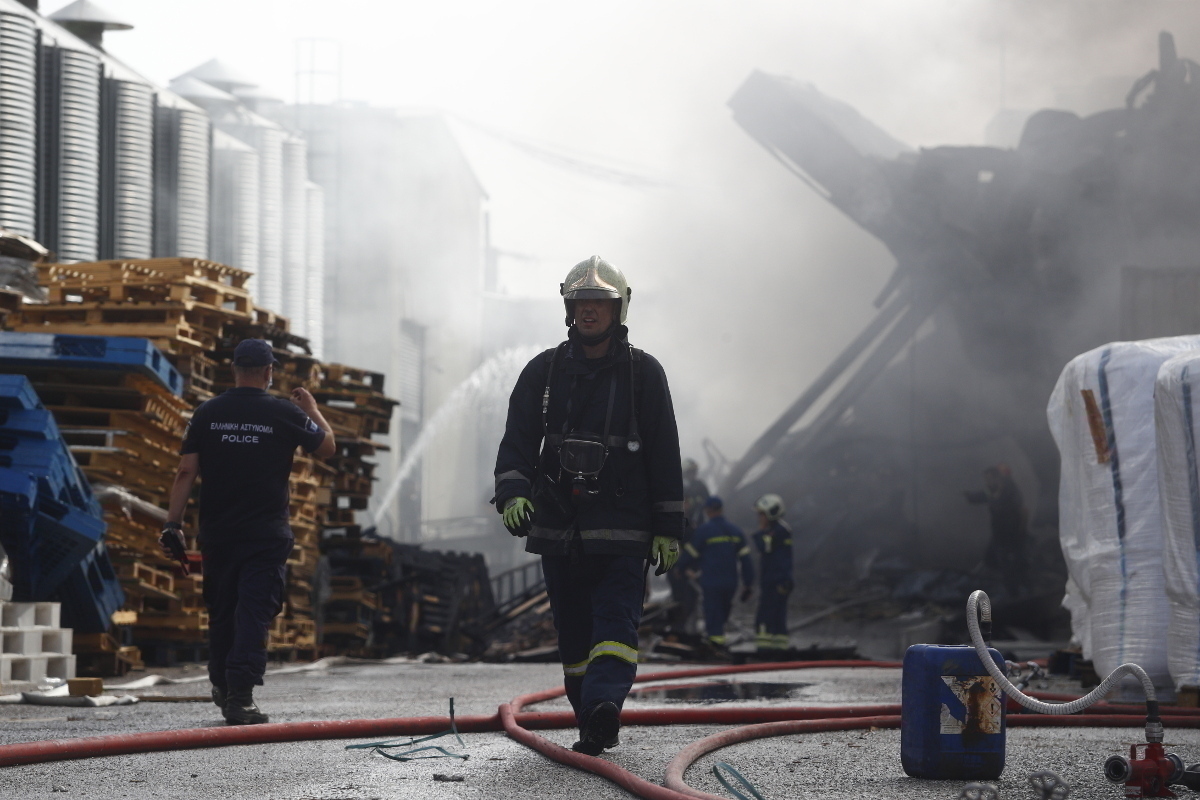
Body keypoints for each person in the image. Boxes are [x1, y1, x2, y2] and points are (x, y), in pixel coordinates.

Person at [493, 255, 684, 756]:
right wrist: (513, 492)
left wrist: (668, 526)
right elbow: (517, 441)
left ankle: (604, 706)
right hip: (560, 527)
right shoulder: (544, 371)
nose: (589, 311)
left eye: (600, 302)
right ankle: (591, 718)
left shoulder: (644, 373)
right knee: (574, 631)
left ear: (619, 309)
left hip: (623, 528)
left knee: (616, 621)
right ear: (568, 309)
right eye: (580, 302)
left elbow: (664, 451)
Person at [160, 339, 336, 725]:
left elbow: (185, 471)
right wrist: (314, 411)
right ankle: (240, 697)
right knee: (253, 612)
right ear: (269, 371)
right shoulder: (284, 412)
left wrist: (173, 523)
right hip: (265, 535)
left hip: (218, 534)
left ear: (234, 369)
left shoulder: (207, 413)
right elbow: (327, 447)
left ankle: (223, 686)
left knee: (222, 611)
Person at [679, 495, 754, 649]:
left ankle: (715, 648)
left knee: (713, 616)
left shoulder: (704, 531)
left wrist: (680, 568)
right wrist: (748, 583)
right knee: (723, 614)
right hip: (730, 582)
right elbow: (746, 560)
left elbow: (690, 554)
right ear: (722, 509)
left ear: (707, 511)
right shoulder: (735, 531)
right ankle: (718, 644)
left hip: (711, 582)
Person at [964, 465, 1030, 595]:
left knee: (1011, 564)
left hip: (1012, 534)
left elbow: (1019, 510)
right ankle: (1002, 586)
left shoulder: (1010, 490)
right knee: (991, 560)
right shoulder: (992, 491)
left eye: (989, 479)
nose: (987, 482)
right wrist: (969, 496)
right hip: (999, 534)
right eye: (985, 479)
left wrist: (1020, 531)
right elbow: (983, 496)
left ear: (997, 478)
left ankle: (1016, 592)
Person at [668, 458, 709, 634]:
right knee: (679, 599)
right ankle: (678, 631)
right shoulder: (673, 524)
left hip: (689, 565)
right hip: (677, 567)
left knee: (691, 598)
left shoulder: (700, 487)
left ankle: (685, 630)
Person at [752, 493, 793, 654]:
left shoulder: (777, 532)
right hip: (777, 579)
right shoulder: (780, 530)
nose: (759, 518)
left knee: (765, 617)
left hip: (775, 580)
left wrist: (759, 533)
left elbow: (765, 548)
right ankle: (778, 648)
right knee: (777, 616)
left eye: (761, 514)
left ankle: (765, 649)